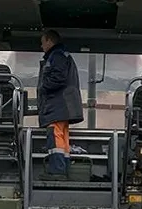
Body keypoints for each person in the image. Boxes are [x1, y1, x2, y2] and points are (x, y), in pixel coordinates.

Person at [37, 29, 84, 175]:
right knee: (63, 138)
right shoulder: (63, 55)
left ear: (49, 41)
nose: (41, 46)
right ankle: (65, 170)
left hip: (56, 106)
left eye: (43, 42)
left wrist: (43, 88)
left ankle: (57, 171)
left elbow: (58, 78)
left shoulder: (56, 56)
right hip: (63, 107)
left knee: (55, 137)